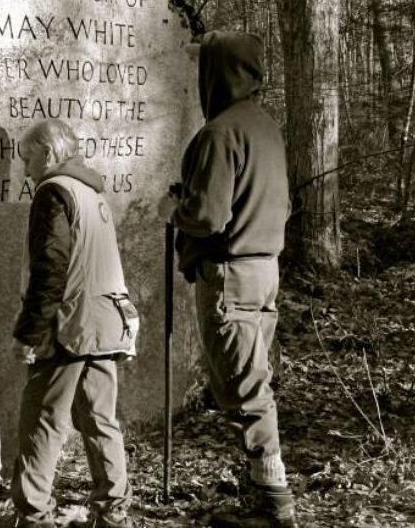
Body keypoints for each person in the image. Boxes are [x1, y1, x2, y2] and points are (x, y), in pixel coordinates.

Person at [155, 31, 298, 528]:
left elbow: (209, 216)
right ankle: (260, 487)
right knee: (252, 378)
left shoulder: (219, 133)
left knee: (243, 388)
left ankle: (273, 502)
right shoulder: (266, 128)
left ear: (216, 73)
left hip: (230, 274)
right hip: (265, 271)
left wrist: (175, 209)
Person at [0, 118, 139, 528]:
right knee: (100, 419)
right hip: (107, 321)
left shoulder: (53, 192)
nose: (24, 169)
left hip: (70, 324)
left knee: (42, 417)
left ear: (49, 153)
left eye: (27, 158)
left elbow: (50, 268)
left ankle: (33, 515)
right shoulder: (91, 192)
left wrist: (28, 332)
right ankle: (113, 514)